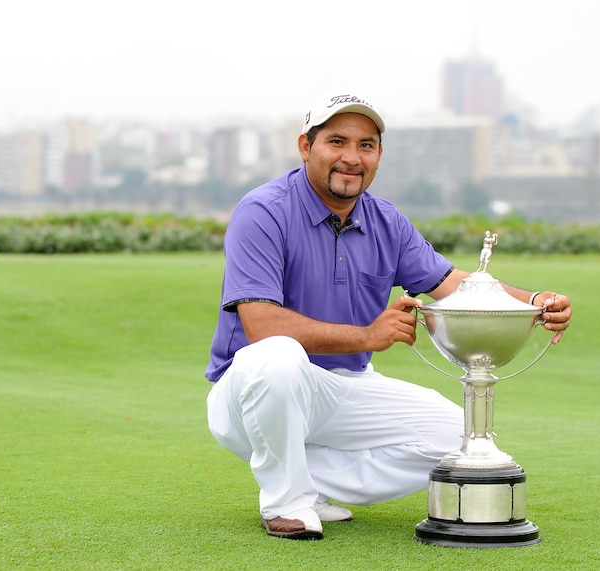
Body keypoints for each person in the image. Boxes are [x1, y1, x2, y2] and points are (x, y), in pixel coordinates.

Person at [204, 90, 573, 541]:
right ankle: (287, 502)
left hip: (343, 385)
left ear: (379, 155)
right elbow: (261, 327)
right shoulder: (263, 211)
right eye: (336, 142)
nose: (351, 158)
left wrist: (533, 302)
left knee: (458, 440)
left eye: (366, 145)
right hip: (251, 391)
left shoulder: (386, 220)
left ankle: (306, 480)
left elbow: (454, 284)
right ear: (306, 147)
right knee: (279, 355)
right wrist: (368, 335)